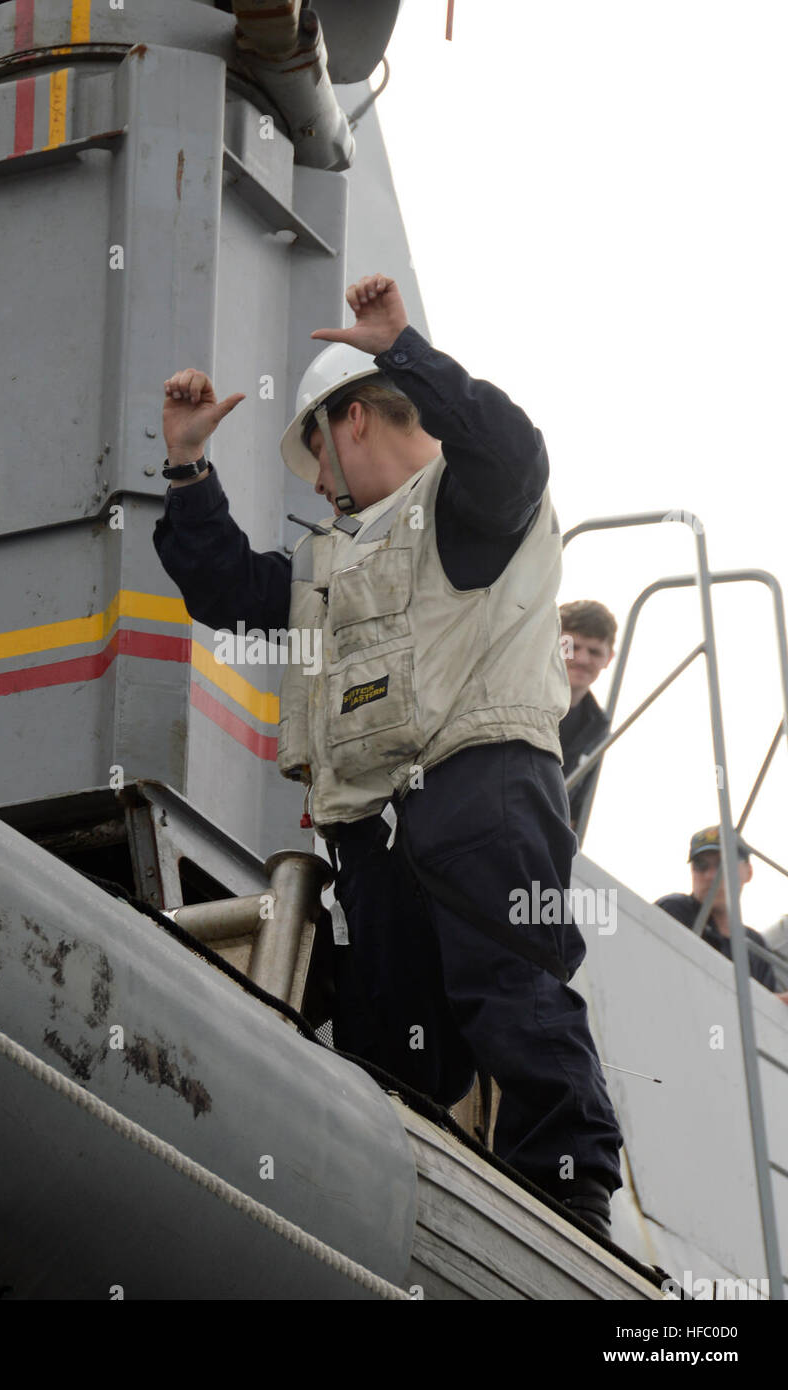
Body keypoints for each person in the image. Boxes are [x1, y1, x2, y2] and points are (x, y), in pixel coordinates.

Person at [153, 273, 624, 1235]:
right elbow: (227, 586)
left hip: (479, 795)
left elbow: (510, 446)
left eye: (317, 458)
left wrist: (405, 346)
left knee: (512, 992)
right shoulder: (330, 561)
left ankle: (573, 1202)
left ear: (353, 418)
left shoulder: (475, 502)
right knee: (388, 1038)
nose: (318, 487)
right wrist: (189, 471)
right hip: (375, 838)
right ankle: (392, 1211)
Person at [656, 828, 788, 999]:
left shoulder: (755, 945)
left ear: (748, 871)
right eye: (701, 866)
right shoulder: (676, 911)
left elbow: (763, 1015)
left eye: (723, 864)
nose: (711, 875)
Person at [558, 601, 616, 833]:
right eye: (573, 646)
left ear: (609, 658)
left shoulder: (599, 732)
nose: (582, 659)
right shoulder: (509, 696)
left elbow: (576, 816)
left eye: (594, 651)